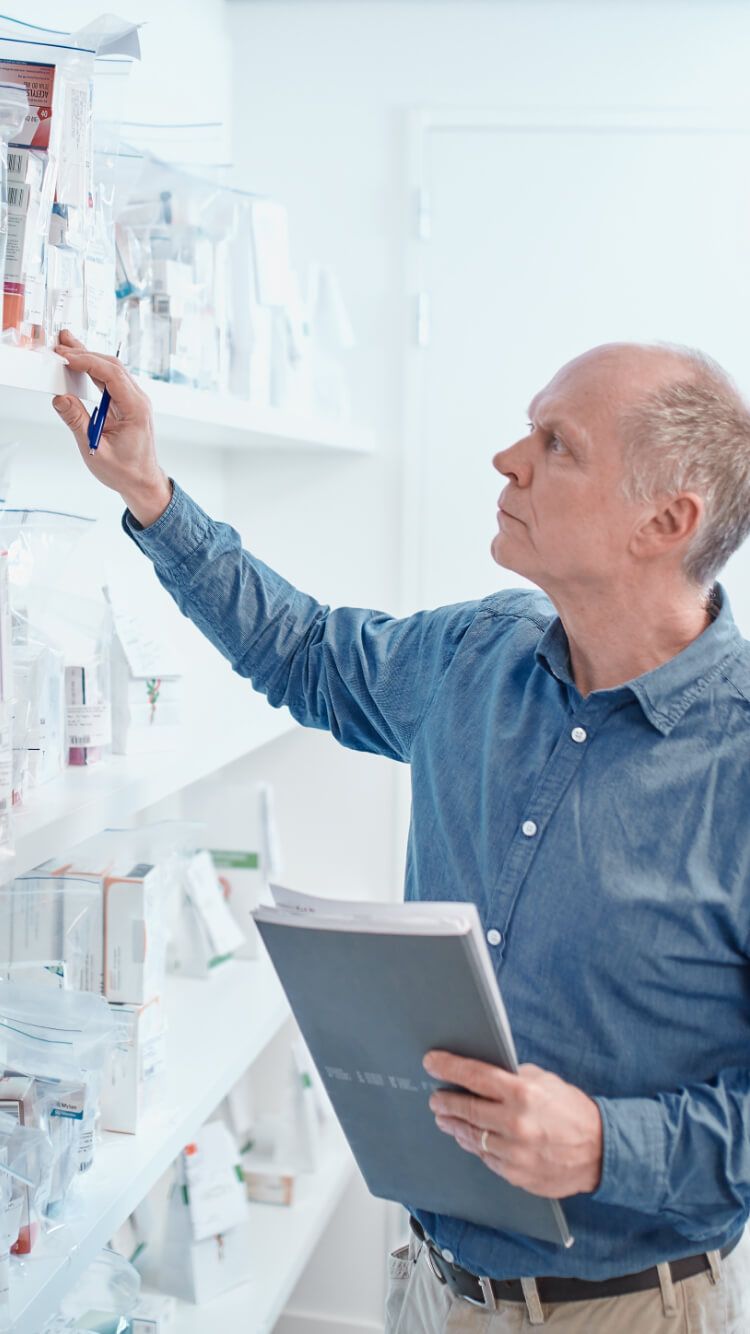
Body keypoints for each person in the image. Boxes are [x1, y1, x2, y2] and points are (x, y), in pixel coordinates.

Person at [53, 329, 750, 1332]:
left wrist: (608, 1144)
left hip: (633, 1309)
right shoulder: (481, 652)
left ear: (666, 520)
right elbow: (305, 653)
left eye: (557, 443)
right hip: (431, 1284)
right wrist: (153, 494)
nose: (509, 458)